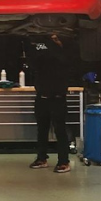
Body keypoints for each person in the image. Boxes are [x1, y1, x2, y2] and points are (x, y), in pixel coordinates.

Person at [27, 34, 71, 173]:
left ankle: (64, 161)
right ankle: (41, 158)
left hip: (58, 97)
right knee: (42, 130)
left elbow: (66, 60)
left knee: (60, 130)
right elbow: (33, 62)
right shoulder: (38, 44)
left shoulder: (65, 44)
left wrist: (55, 44)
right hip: (42, 96)